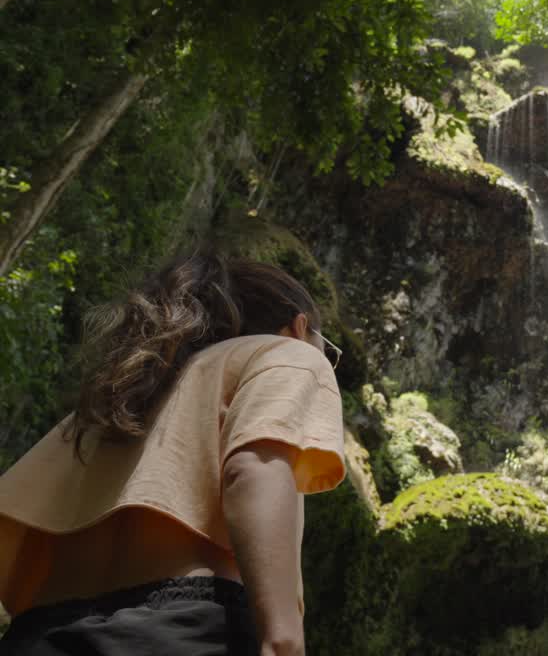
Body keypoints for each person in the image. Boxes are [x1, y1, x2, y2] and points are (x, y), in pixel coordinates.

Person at [0, 250, 347, 655]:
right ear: (298, 326)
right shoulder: (286, 353)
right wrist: (283, 638)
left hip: (36, 634)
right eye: (328, 351)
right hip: (184, 626)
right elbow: (253, 468)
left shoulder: (112, 409)